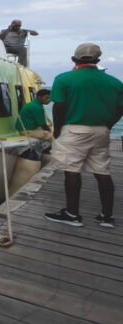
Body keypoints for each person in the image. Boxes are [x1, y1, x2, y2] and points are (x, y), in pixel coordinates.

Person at [45, 43, 123, 228]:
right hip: (101, 131)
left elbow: (59, 106)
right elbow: (120, 108)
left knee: (72, 170)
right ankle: (106, 217)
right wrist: (109, 124)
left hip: (74, 130)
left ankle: (72, 214)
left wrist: (56, 129)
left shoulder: (64, 79)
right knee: (102, 171)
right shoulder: (114, 82)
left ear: (74, 59)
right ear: (98, 60)